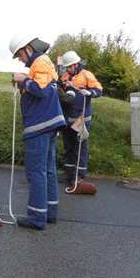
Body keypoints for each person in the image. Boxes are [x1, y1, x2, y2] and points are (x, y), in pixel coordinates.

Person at [9, 33, 66, 230]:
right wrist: (24, 82)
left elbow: (41, 90)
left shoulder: (39, 61)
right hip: (49, 125)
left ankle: (36, 218)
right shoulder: (44, 62)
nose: (19, 59)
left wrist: (22, 80)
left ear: (29, 49)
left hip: (40, 126)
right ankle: (50, 213)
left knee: (36, 172)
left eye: (19, 55)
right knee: (48, 170)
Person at [59, 50, 103, 185]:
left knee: (80, 148)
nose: (67, 69)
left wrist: (89, 92)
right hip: (67, 119)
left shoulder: (86, 75)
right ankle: (69, 174)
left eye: (69, 66)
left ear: (76, 64)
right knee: (69, 147)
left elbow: (99, 90)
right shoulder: (65, 77)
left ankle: (80, 175)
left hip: (81, 119)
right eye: (66, 67)